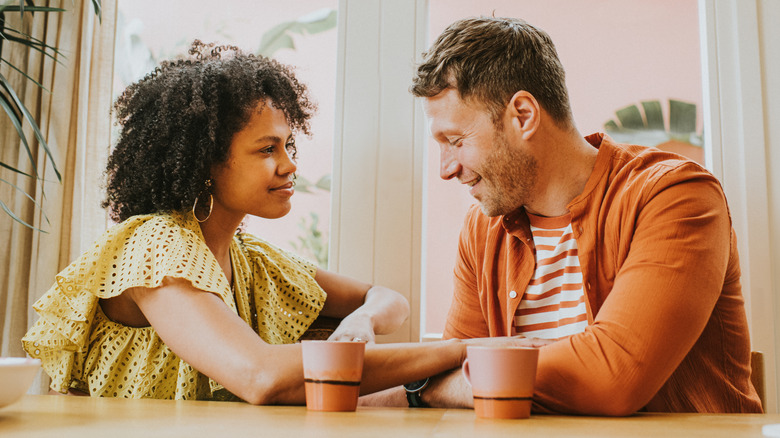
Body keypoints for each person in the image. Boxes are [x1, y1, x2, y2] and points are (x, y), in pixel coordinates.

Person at [21, 41, 496, 404]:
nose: (289, 165)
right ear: (205, 161)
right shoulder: (157, 245)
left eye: (289, 146)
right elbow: (260, 375)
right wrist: (463, 352)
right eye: (267, 149)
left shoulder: (251, 260)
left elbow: (389, 299)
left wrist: (362, 320)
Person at [363, 17, 763, 414]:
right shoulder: (482, 229)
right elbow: (448, 369)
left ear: (523, 115)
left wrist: (430, 390)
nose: (446, 169)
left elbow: (612, 378)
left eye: (455, 141)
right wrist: (436, 385)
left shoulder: (674, 196)